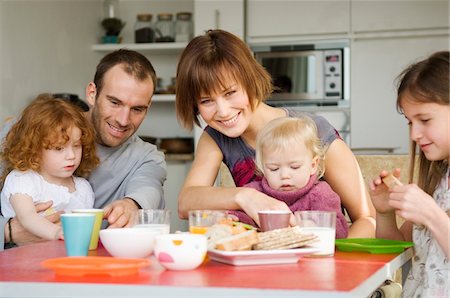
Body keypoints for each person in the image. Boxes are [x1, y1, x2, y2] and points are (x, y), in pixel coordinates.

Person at [175, 29, 375, 237]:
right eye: (206, 101)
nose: (223, 112)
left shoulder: (313, 129)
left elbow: (367, 218)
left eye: (230, 93)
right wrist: (246, 197)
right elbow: (186, 201)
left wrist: (336, 260)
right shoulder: (215, 137)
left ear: (250, 80)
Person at [1, 49, 167, 249]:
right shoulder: (28, 129)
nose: (123, 120)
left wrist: (131, 205)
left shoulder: (147, 158)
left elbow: (148, 190)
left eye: (137, 109)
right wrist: (8, 232)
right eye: (114, 102)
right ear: (92, 93)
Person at [369, 51, 449, 297]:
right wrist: (385, 214)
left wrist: (433, 216)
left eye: (424, 119)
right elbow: (398, 251)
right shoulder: (438, 181)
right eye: (410, 122)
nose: (414, 135)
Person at [228, 116, 348, 238]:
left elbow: (340, 231)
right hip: (268, 254)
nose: (284, 175)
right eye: (274, 168)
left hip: (309, 255)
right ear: (263, 168)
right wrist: (234, 220)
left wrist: (311, 226)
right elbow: (245, 220)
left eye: (294, 167)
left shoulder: (321, 195)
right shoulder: (256, 192)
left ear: (313, 165)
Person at [1, 95, 99, 240]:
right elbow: (27, 217)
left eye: (77, 146)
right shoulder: (22, 180)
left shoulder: (83, 188)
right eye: (59, 148)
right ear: (34, 150)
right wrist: (57, 233)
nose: (71, 155)